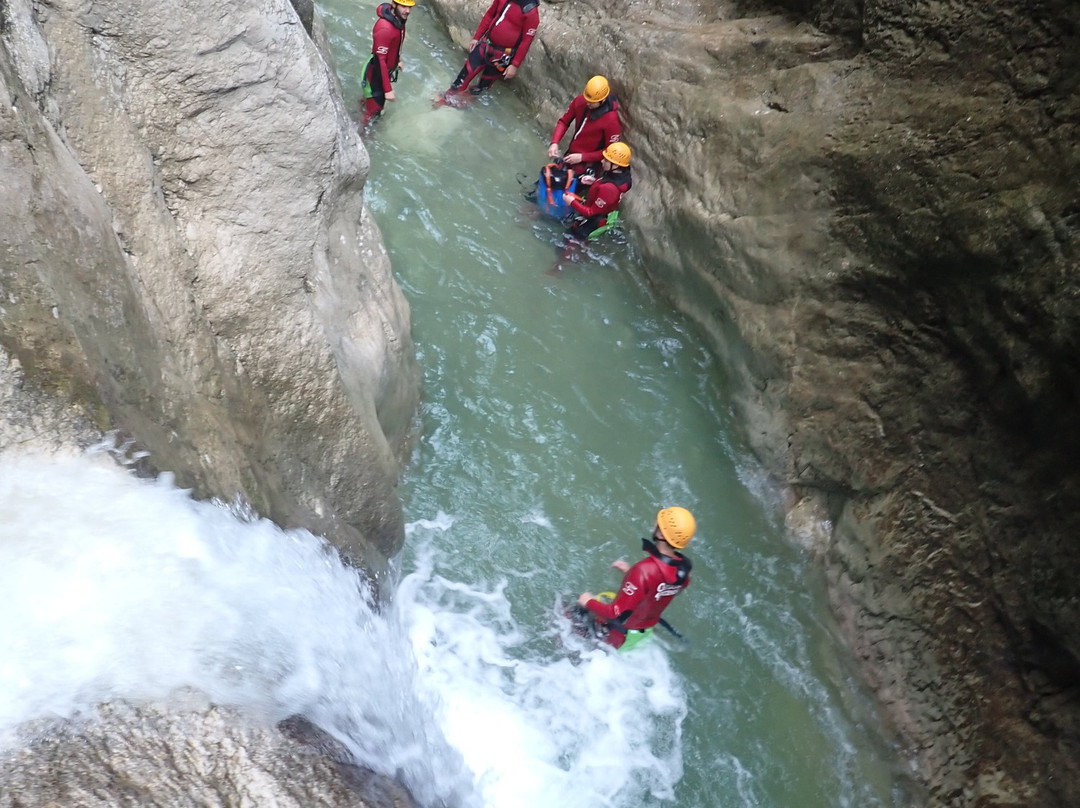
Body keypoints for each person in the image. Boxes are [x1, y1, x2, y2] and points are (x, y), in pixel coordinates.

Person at [577, 507, 695, 651]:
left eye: (659, 522)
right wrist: (632, 576)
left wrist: (588, 601)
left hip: (620, 636)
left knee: (565, 613)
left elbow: (616, 613)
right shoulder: (682, 569)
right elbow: (665, 589)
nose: (654, 523)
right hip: (643, 633)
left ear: (662, 534)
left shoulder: (643, 571)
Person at [445, 0, 539, 97]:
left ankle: (468, 99)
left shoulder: (531, 11)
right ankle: (447, 98)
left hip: (503, 56)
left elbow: (526, 41)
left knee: (483, 87)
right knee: (463, 77)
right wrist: (476, 37)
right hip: (485, 45)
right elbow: (490, 15)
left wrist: (514, 65)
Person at [547, 75, 621, 175]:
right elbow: (564, 122)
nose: (588, 103)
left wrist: (582, 157)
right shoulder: (580, 101)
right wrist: (554, 142)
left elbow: (611, 153)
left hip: (588, 166)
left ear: (602, 100)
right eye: (587, 99)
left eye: (592, 102)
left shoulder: (611, 120)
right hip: (571, 156)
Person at [561, 141, 633, 241]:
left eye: (607, 160)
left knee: (569, 241)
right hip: (600, 212)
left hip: (592, 222)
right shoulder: (621, 175)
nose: (602, 161)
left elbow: (590, 213)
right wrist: (595, 182)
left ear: (616, 165)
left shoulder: (610, 188)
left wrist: (571, 201)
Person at [361, 0, 415, 125]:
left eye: (410, 7)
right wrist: (387, 90)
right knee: (373, 116)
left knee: (370, 105)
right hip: (375, 74)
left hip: (381, 70)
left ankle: (363, 106)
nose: (407, 11)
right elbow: (380, 60)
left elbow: (394, 46)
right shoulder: (385, 28)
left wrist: (397, 61)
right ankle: (361, 137)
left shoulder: (399, 21)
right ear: (394, 4)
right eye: (404, 6)